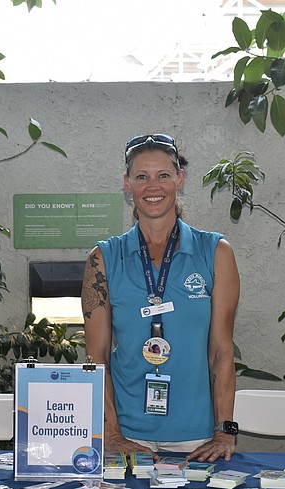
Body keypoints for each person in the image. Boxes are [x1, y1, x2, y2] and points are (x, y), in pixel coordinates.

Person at [82, 133, 241, 463]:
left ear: (179, 180)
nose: (152, 187)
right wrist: (111, 435)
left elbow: (222, 351)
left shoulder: (215, 253)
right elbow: (96, 358)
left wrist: (224, 431)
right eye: (142, 177)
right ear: (128, 184)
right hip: (126, 437)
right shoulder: (103, 259)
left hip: (197, 441)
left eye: (163, 175)